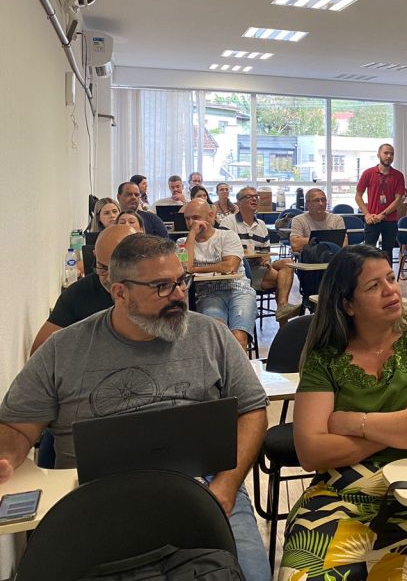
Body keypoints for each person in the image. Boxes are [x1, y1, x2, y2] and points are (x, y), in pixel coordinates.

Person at [0, 233, 272, 581]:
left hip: (202, 488)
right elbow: (17, 428)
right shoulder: (62, 350)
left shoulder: (211, 335)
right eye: (161, 286)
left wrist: (227, 486)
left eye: (181, 281)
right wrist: (6, 456)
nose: (178, 296)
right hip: (93, 497)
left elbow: (252, 409)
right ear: (119, 292)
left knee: (251, 575)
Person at [280, 245, 407, 580]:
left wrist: (353, 422)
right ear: (348, 305)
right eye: (373, 286)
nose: (391, 290)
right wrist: (406, 420)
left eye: (389, 278)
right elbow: (311, 452)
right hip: (341, 491)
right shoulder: (325, 358)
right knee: (301, 575)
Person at [31, 224, 136, 354]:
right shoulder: (79, 294)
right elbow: (40, 353)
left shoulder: (158, 292)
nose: (109, 279)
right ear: (95, 255)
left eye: (119, 270)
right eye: (103, 268)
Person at [182, 198, 257, 351]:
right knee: (218, 336)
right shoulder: (182, 242)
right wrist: (191, 236)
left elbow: (230, 266)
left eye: (196, 218)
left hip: (239, 290)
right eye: (187, 219)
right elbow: (184, 267)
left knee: (238, 338)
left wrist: (195, 269)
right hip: (208, 294)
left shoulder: (228, 236)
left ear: (210, 216)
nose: (191, 223)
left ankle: (238, 374)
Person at [226, 186, 301, 322]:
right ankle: (283, 318)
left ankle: (282, 307)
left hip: (258, 267)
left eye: (256, 196)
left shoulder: (261, 224)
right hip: (240, 270)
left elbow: (266, 253)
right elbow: (226, 250)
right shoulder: (229, 222)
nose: (254, 199)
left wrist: (266, 260)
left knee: (288, 262)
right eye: (249, 197)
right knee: (281, 280)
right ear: (239, 203)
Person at [355, 143, 406, 262]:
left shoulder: (398, 175)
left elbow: (398, 199)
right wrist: (367, 214)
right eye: (386, 153)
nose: (389, 156)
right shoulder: (368, 173)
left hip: (390, 220)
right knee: (369, 253)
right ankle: (369, 279)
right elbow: (358, 196)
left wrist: (382, 215)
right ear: (378, 154)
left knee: (387, 253)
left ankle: (387, 279)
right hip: (372, 219)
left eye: (392, 154)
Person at [289, 187, 348, 255]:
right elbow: (295, 245)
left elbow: (344, 245)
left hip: (333, 257)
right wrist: (330, 240)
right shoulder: (298, 220)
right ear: (307, 204)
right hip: (309, 259)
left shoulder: (337, 219)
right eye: (316, 200)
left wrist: (312, 241)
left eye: (323, 200)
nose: (321, 203)